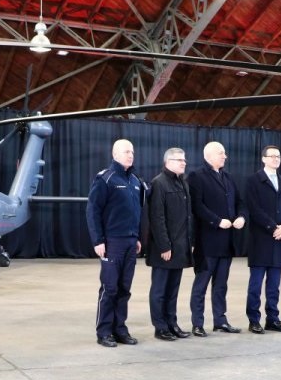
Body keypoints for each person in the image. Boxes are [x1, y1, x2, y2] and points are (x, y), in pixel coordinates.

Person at [87, 139, 145, 348]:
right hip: (112, 242)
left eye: (132, 151)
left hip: (130, 242)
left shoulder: (136, 181)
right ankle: (104, 332)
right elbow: (93, 211)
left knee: (124, 288)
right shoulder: (106, 179)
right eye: (126, 151)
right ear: (115, 154)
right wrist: (98, 240)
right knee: (110, 288)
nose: (131, 155)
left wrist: (137, 237)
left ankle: (120, 329)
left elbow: (137, 213)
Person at [187, 141, 247, 337]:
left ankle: (220, 321)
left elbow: (240, 202)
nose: (225, 156)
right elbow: (197, 206)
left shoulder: (228, 178)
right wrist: (216, 221)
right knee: (201, 285)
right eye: (221, 153)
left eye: (224, 153)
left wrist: (241, 217)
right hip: (207, 242)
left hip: (226, 242)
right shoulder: (196, 176)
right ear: (208, 155)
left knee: (221, 285)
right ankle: (197, 323)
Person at [245, 145, 281, 334]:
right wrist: (273, 226)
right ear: (263, 159)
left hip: (280, 240)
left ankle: (272, 319)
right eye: (272, 156)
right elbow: (253, 208)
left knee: (274, 286)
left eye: (278, 156)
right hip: (261, 239)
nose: (276, 159)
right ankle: (253, 320)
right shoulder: (254, 181)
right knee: (256, 285)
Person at [146, 147, 193, 342]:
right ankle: (160, 327)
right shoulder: (159, 183)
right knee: (159, 290)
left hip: (180, 247)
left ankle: (172, 324)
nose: (184, 163)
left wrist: (190, 242)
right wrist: (164, 246)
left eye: (184, 160)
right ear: (168, 162)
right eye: (179, 160)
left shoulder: (183, 183)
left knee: (173, 290)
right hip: (164, 249)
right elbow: (157, 218)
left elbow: (187, 217)